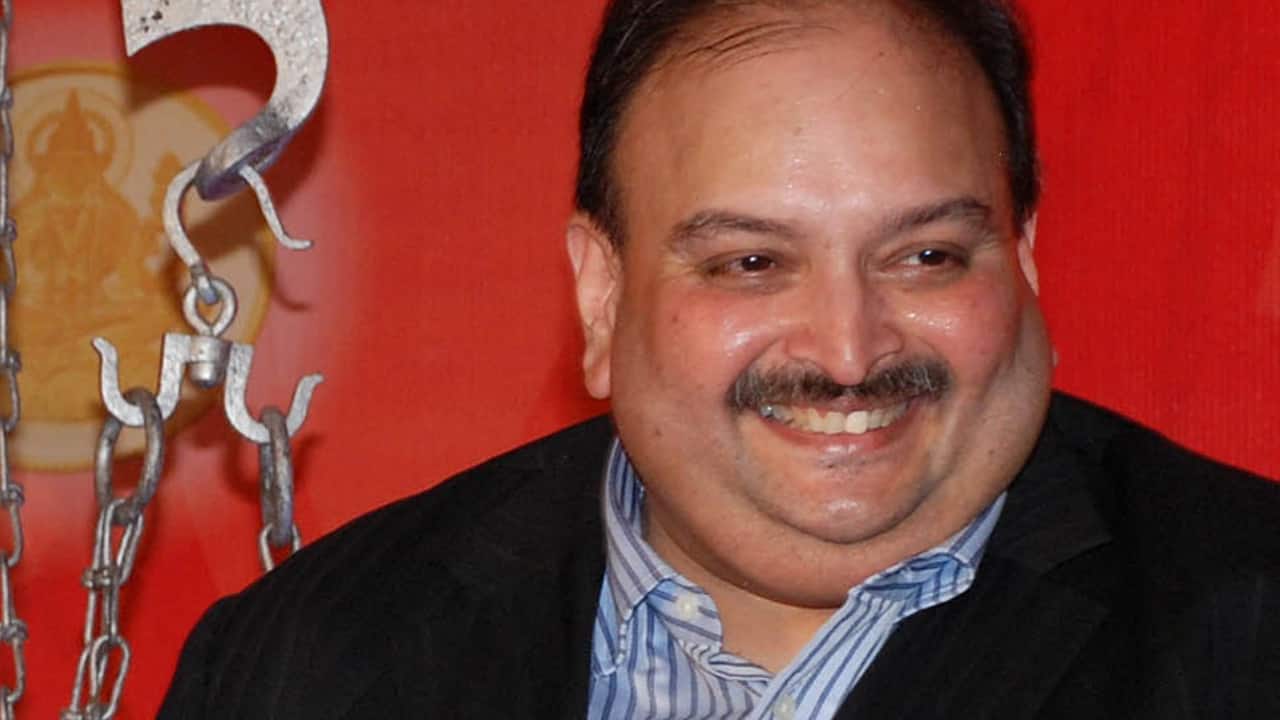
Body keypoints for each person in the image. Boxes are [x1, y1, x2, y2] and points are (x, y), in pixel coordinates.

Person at [159, 0, 1280, 717]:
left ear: (1023, 260)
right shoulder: (303, 662)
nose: (848, 351)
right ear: (600, 295)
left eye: (926, 255)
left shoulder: (1247, 634)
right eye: (750, 262)